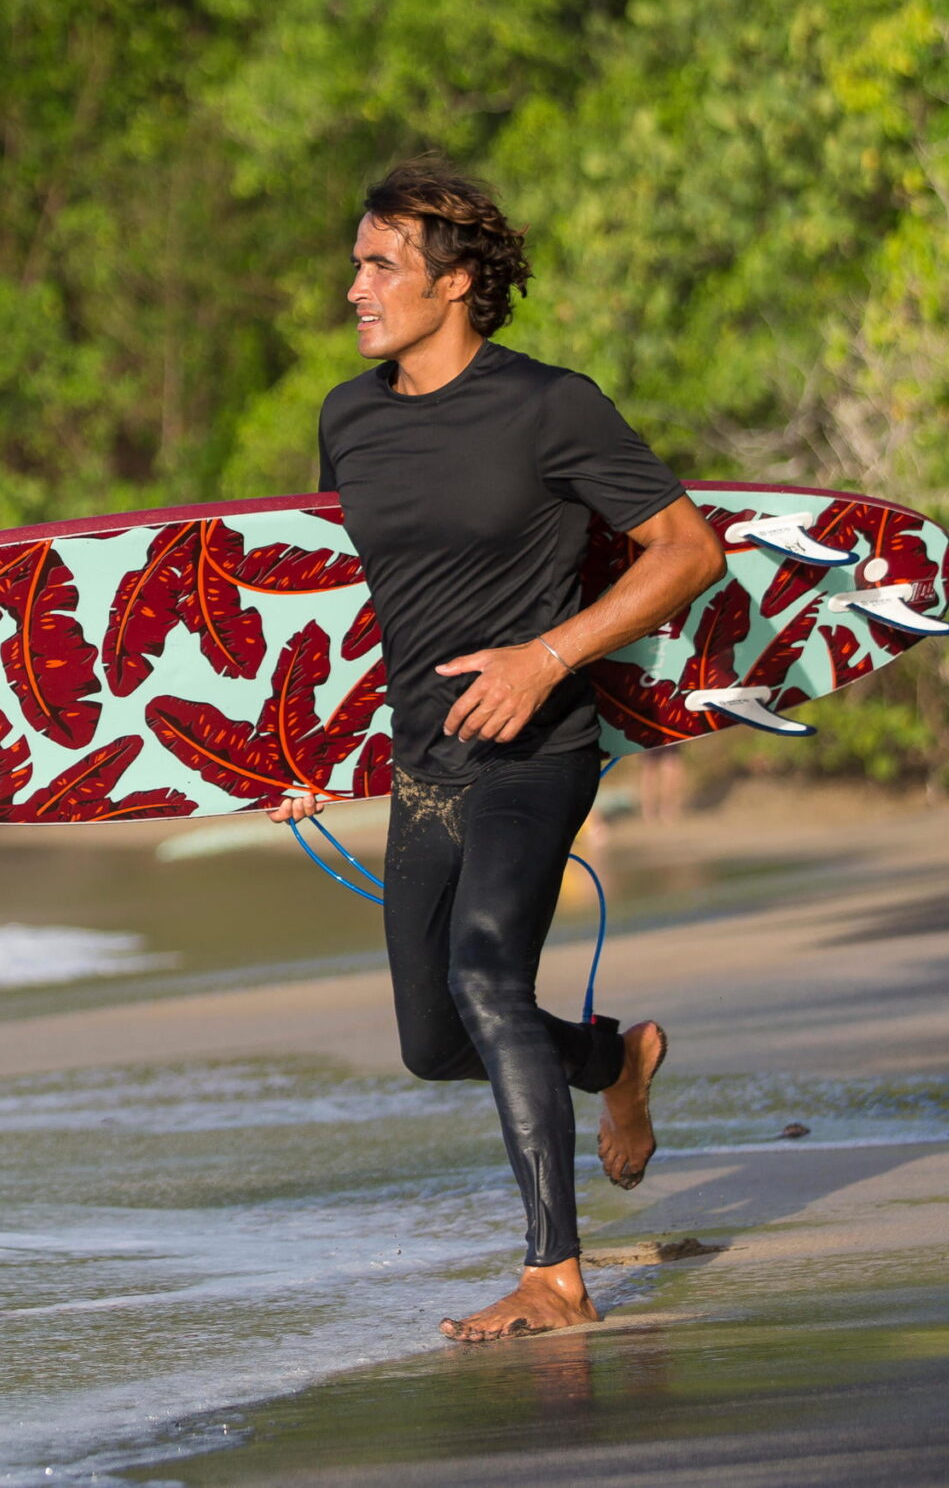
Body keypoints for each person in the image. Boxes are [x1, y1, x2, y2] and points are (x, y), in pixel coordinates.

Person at [271, 156, 724, 1341]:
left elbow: (688, 551)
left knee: (486, 978)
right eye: (355, 263)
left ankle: (554, 1276)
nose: (354, 287)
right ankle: (613, 1062)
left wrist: (544, 659)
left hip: (537, 750)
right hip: (421, 768)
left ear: (455, 282)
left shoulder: (549, 406)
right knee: (434, 1042)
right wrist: (303, 754)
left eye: (381, 266)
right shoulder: (348, 418)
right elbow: (351, 599)